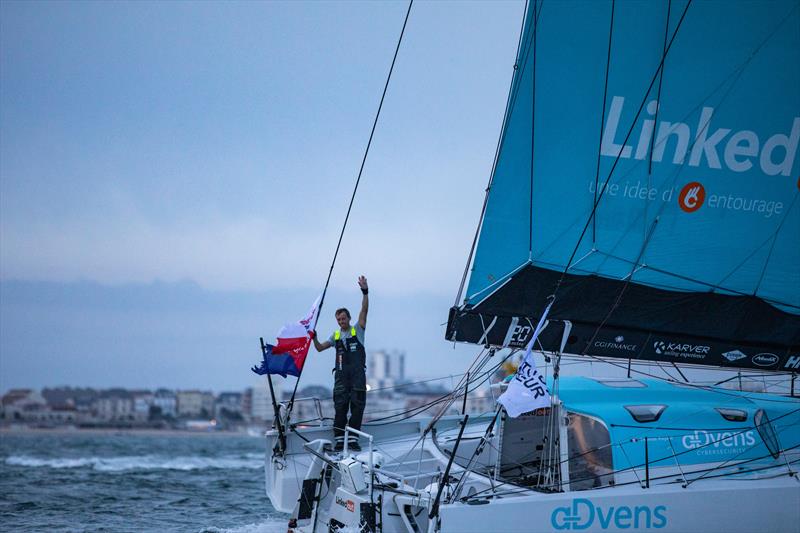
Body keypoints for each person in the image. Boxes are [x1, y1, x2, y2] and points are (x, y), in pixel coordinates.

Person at [311, 276, 369, 451]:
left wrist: (365, 291)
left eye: (343, 319)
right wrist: (314, 338)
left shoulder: (357, 330)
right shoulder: (335, 336)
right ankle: (339, 439)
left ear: (349, 318)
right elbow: (320, 348)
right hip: (341, 380)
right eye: (338, 320)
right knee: (340, 410)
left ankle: (352, 440)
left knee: (357, 408)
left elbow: (365, 310)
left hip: (358, 378)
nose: (341, 322)